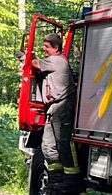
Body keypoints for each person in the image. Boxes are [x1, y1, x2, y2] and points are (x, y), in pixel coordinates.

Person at [32, 32, 79, 185]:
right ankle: (56, 178)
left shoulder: (57, 61)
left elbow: (35, 64)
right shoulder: (54, 61)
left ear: (56, 48)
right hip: (54, 108)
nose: (44, 49)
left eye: (46, 46)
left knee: (63, 143)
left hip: (62, 107)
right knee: (47, 144)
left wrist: (28, 56)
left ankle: (71, 179)